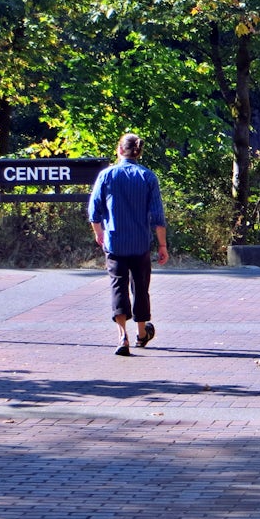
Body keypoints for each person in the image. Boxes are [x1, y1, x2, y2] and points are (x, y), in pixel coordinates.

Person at [89, 133, 169, 355]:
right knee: (141, 287)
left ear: (119, 150)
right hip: (140, 242)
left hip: (115, 242)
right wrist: (162, 245)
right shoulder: (148, 177)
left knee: (118, 286)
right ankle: (142, 333)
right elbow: (157, 216)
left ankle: (122, 336)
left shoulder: (106, 176)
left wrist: (99, 233)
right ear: (139, 152)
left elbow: (94, 211)